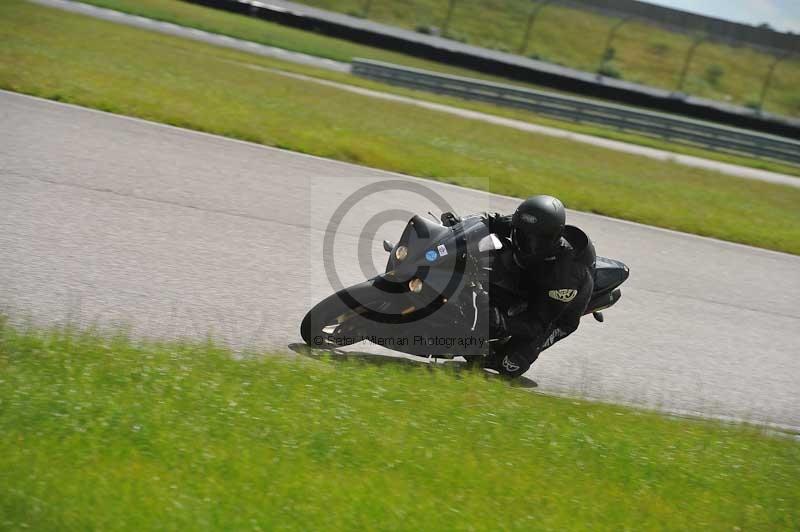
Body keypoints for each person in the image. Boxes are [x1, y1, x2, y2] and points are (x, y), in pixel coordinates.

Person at [479, 195, 596, 378]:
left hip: (555, 312)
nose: (526, 243)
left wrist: (503, 323)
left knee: (509, 365)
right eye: (522, 235)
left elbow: (537, 323)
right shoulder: (523, 225)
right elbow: (489, 221)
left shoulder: (563, 277)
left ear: (553, 240)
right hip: (531, 277)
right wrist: (457, 226)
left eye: (536, 241)